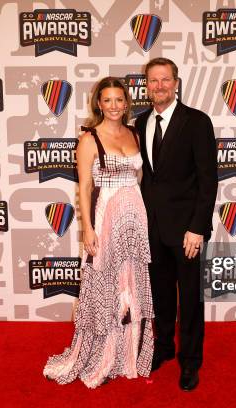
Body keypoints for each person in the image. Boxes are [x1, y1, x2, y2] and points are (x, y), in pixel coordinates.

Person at [43, 77, 154, 388]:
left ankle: (127, 355)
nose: (115, 106)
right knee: (105, 285)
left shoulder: (134, 133)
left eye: (120, 100)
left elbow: (140, 177)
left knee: (131, 283)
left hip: (135, 217)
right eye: (108, 100)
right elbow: (85, 187)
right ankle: (101, 356)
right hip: (106, 218)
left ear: (126, 103)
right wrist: (87, 229)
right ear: (98, 104)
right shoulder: (89, 139)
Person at [135, 58, 218, 391]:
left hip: (187, 232)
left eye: (165, 79)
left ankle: (190, 361)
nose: (159, 86)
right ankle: (165, 348)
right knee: (161, 296)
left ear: (176, 83)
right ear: (146, 86)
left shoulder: (197, 122)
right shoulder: (139, 123)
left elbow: (208, 179)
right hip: (152, 228)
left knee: (191, 299)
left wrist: (197, 227)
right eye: (153, 81)